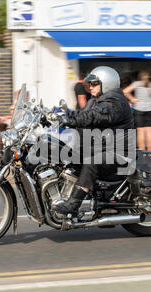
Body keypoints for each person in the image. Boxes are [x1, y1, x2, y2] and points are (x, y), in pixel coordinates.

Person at [52, 66, 134, 220]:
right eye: (90, 84)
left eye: (95, 84)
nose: (91, 87)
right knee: (63, 154)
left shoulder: (115, 102)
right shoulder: (96, 100)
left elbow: (95, 116)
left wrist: (71, 120)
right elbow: (83, 114)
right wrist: (58, 115)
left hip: (119, 153)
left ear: (106, 83)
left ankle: (73, 205)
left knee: (91, 162)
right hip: (101, 148)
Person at [123, 70, 151, 151]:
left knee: (140, 131)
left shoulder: (136, 84)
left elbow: (125, 91)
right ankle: (150, 150)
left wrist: (132, 99)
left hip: (139, 109)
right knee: (149, 130)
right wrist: (150, 100)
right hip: (150, 109)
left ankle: (142, 150)